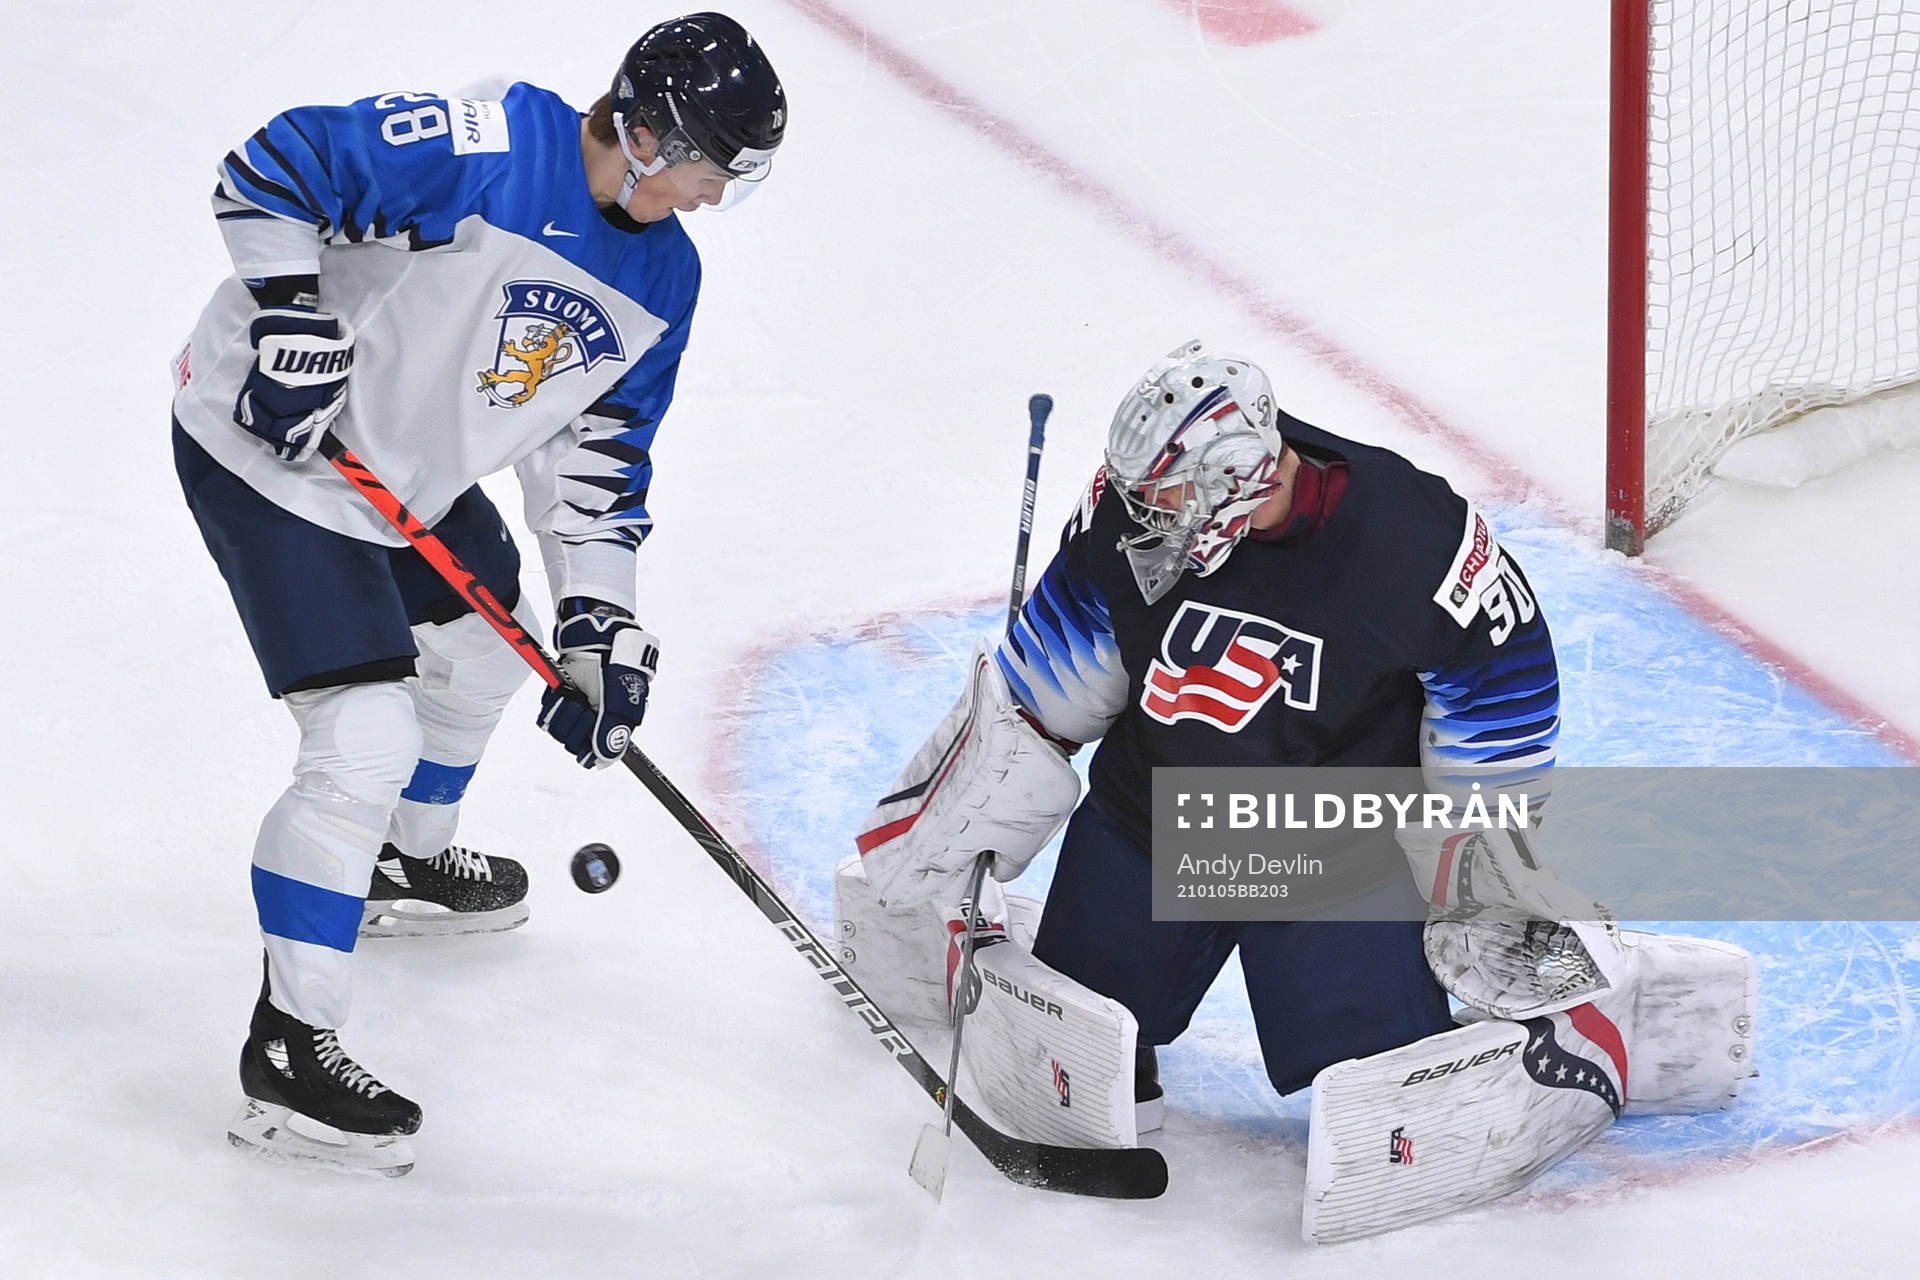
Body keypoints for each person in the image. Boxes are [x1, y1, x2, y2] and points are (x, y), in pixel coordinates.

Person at [170, 12, 786, 1175]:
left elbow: (599, 461)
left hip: (406, 476)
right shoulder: (491, 144)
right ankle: (288, 1048)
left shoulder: (665, 276)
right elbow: (274, 164)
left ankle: (406, 859)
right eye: (709, 168)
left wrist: (600, 619)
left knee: (497, 646)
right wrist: (290, 315)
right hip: (275, 457)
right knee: (361, 735)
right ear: (647, 132)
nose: (710, 196)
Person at [856, 340, 1562, 1125]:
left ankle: (1558, 1033)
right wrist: (963, 805)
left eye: (1168, 500)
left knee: (1378, 1094)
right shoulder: (1127, 514)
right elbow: (1048, 685)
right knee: (1085, 1045)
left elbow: (1502, 702)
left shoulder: (1418, 543)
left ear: (1241, 481)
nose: (1143, 518)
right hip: (1150, 824)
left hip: (1334, 854)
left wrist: (1476, 877)